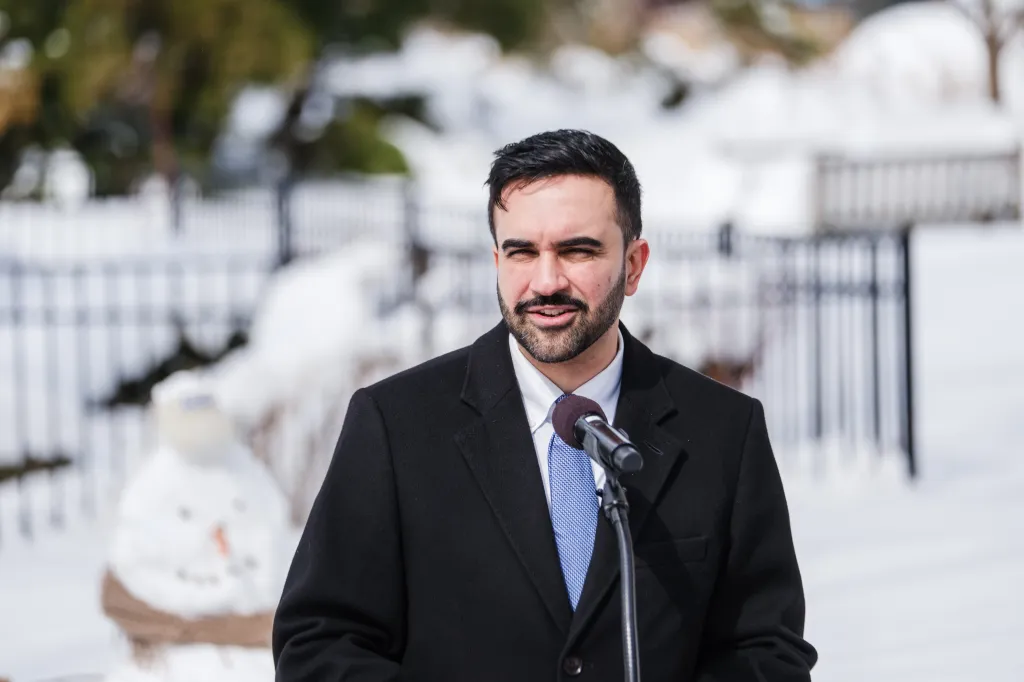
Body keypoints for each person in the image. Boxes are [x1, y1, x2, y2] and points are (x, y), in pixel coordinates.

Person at [272, 129, 817, 681]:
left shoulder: (724, 430)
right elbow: (319, 644)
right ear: (497, 260)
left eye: (578, 250)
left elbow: (765, 650)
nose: (546, 280)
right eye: (522, 252)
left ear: (634, 264)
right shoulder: (395, 425)